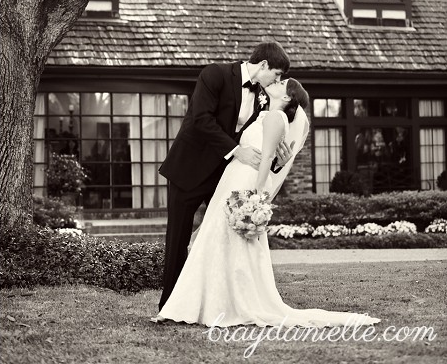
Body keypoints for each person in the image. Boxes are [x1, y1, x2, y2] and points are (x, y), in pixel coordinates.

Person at [156, 78, 379, 327]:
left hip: (247, 180)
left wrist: (255, 196)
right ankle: (210, 301)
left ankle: (231, 302)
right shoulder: (264, 115)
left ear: (286, 98)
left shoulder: (275, 118)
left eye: (282, 82)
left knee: (229, 239)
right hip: (235, 176)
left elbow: (268, 159)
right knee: (218, 238)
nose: (276, 81)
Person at [157, 41, 292, 310]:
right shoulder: (215, 74)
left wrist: (277, 161)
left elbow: (257, 141)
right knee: (178, 239)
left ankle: (221, 301)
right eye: (276, 75)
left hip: (224, 177)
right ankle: (170, 304)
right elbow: (200, 119)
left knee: (222, 237)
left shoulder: (263, 98)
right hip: (189, 169)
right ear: (263, 65)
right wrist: (236, 150)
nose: (277, 81)